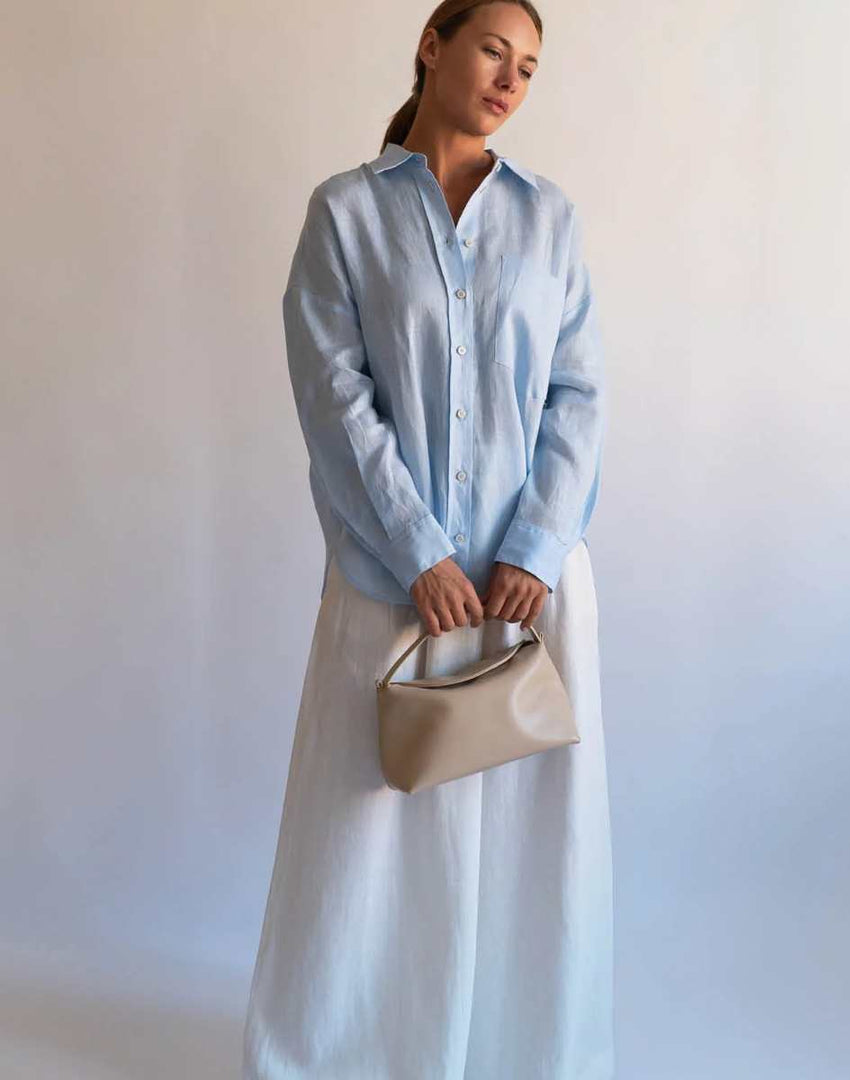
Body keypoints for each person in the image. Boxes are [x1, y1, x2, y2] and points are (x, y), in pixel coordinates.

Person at [241, 2, 613, 1076]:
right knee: (365, 837)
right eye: (494, 49)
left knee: (528, 842)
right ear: (432, 45)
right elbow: (333, 397)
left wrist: (533, 545)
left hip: (528, 593)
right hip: (391, 584)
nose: (511, 79)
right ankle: (352, 1054)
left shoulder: (550, 219)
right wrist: (419, 552)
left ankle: (511, 1054)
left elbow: (579, 396)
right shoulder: (345, 213)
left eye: (530, 66)